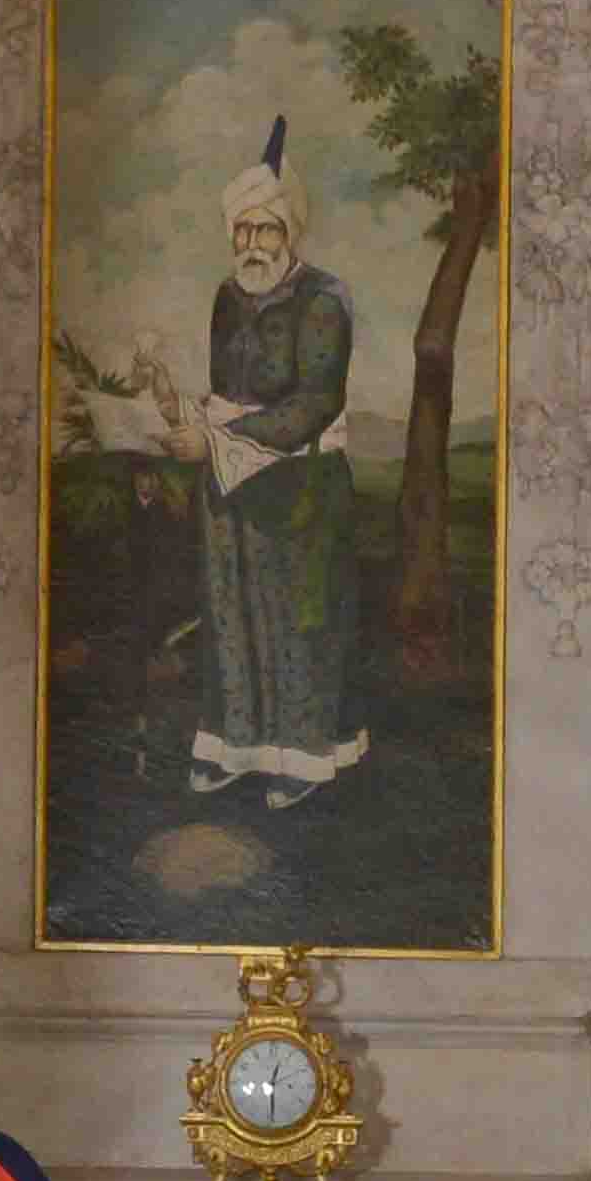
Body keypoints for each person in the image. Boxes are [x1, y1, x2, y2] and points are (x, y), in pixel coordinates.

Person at [187, 121, 373, 784]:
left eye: (266, 230)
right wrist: (202, 430)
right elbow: (223, 388)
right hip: (232, 483)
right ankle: (237, 749)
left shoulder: (323, 299)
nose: (252, 244)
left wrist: (230, 435)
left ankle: (303, 759)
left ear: (290, 233)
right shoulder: (226, 297)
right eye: (243, 230)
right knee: (232, 615)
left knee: (297, 623)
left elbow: (317, 402)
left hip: (301, 486)